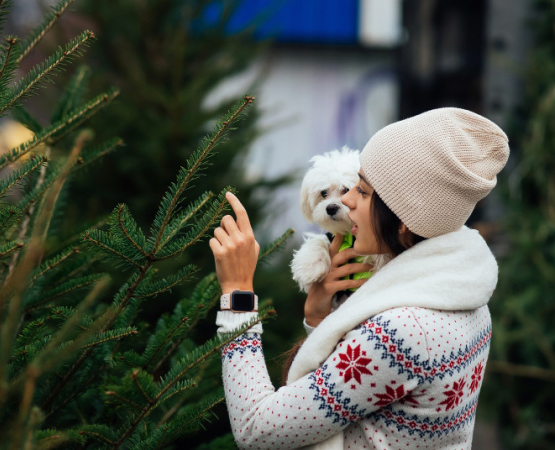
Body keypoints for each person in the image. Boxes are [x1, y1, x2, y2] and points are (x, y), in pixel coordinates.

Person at [209, 108, 509, 449]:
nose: (347, 200)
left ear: (403, 219)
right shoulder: (464, 295)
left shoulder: (401, 333)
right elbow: (357, 400)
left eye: (363, 191)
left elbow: (257, 429)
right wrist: (319, 319)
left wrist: (237, 292)